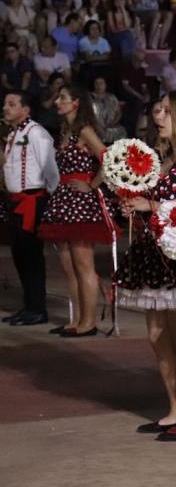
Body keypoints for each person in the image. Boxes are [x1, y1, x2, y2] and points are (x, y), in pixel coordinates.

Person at [114, 91, 176, 439]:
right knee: (158, 336)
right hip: (154, 255)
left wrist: (152, 207)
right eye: (158, 110)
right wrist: (136, 206)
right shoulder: (164, 158)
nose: (159, 116)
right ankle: (175, 408)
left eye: (168, 112)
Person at [37, 84, 111, 336]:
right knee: (69, 266)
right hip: (64, 199)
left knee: (83, 264)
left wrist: (92, 185)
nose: (57, 101)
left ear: (76, 102)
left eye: (63, 98)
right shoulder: (65, 131)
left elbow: (108, 158)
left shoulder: (84, 130)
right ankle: (77, 320)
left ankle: (89, 323)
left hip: (80, 201)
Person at [1, 91, 59, 326]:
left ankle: (37, 308)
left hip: (33, 201)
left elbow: (51, 169)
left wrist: (54, 200)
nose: (5, 108)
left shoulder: (36, 133)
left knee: (32, 256)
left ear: (25, 110)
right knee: (19, 254)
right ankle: (29, 306)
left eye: (11, 104)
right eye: (5, 104)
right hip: (16, 201)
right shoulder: (13, 133)